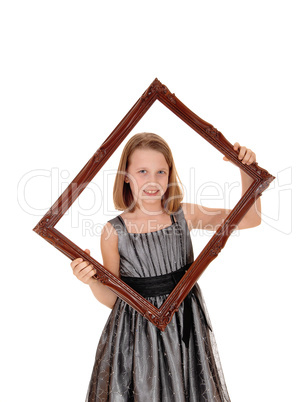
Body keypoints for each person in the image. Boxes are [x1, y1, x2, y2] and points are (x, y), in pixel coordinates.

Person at [70, 132, 260, 401]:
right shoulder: (114, 231)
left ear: (170, 174)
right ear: (126, 175)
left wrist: (247, 171)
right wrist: (91, 280)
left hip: (185, 326)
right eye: (142, 171)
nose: (152, 180)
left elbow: (250, 218)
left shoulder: (184, 215)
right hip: (136, 335)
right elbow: (114, 299)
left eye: (161, 171)